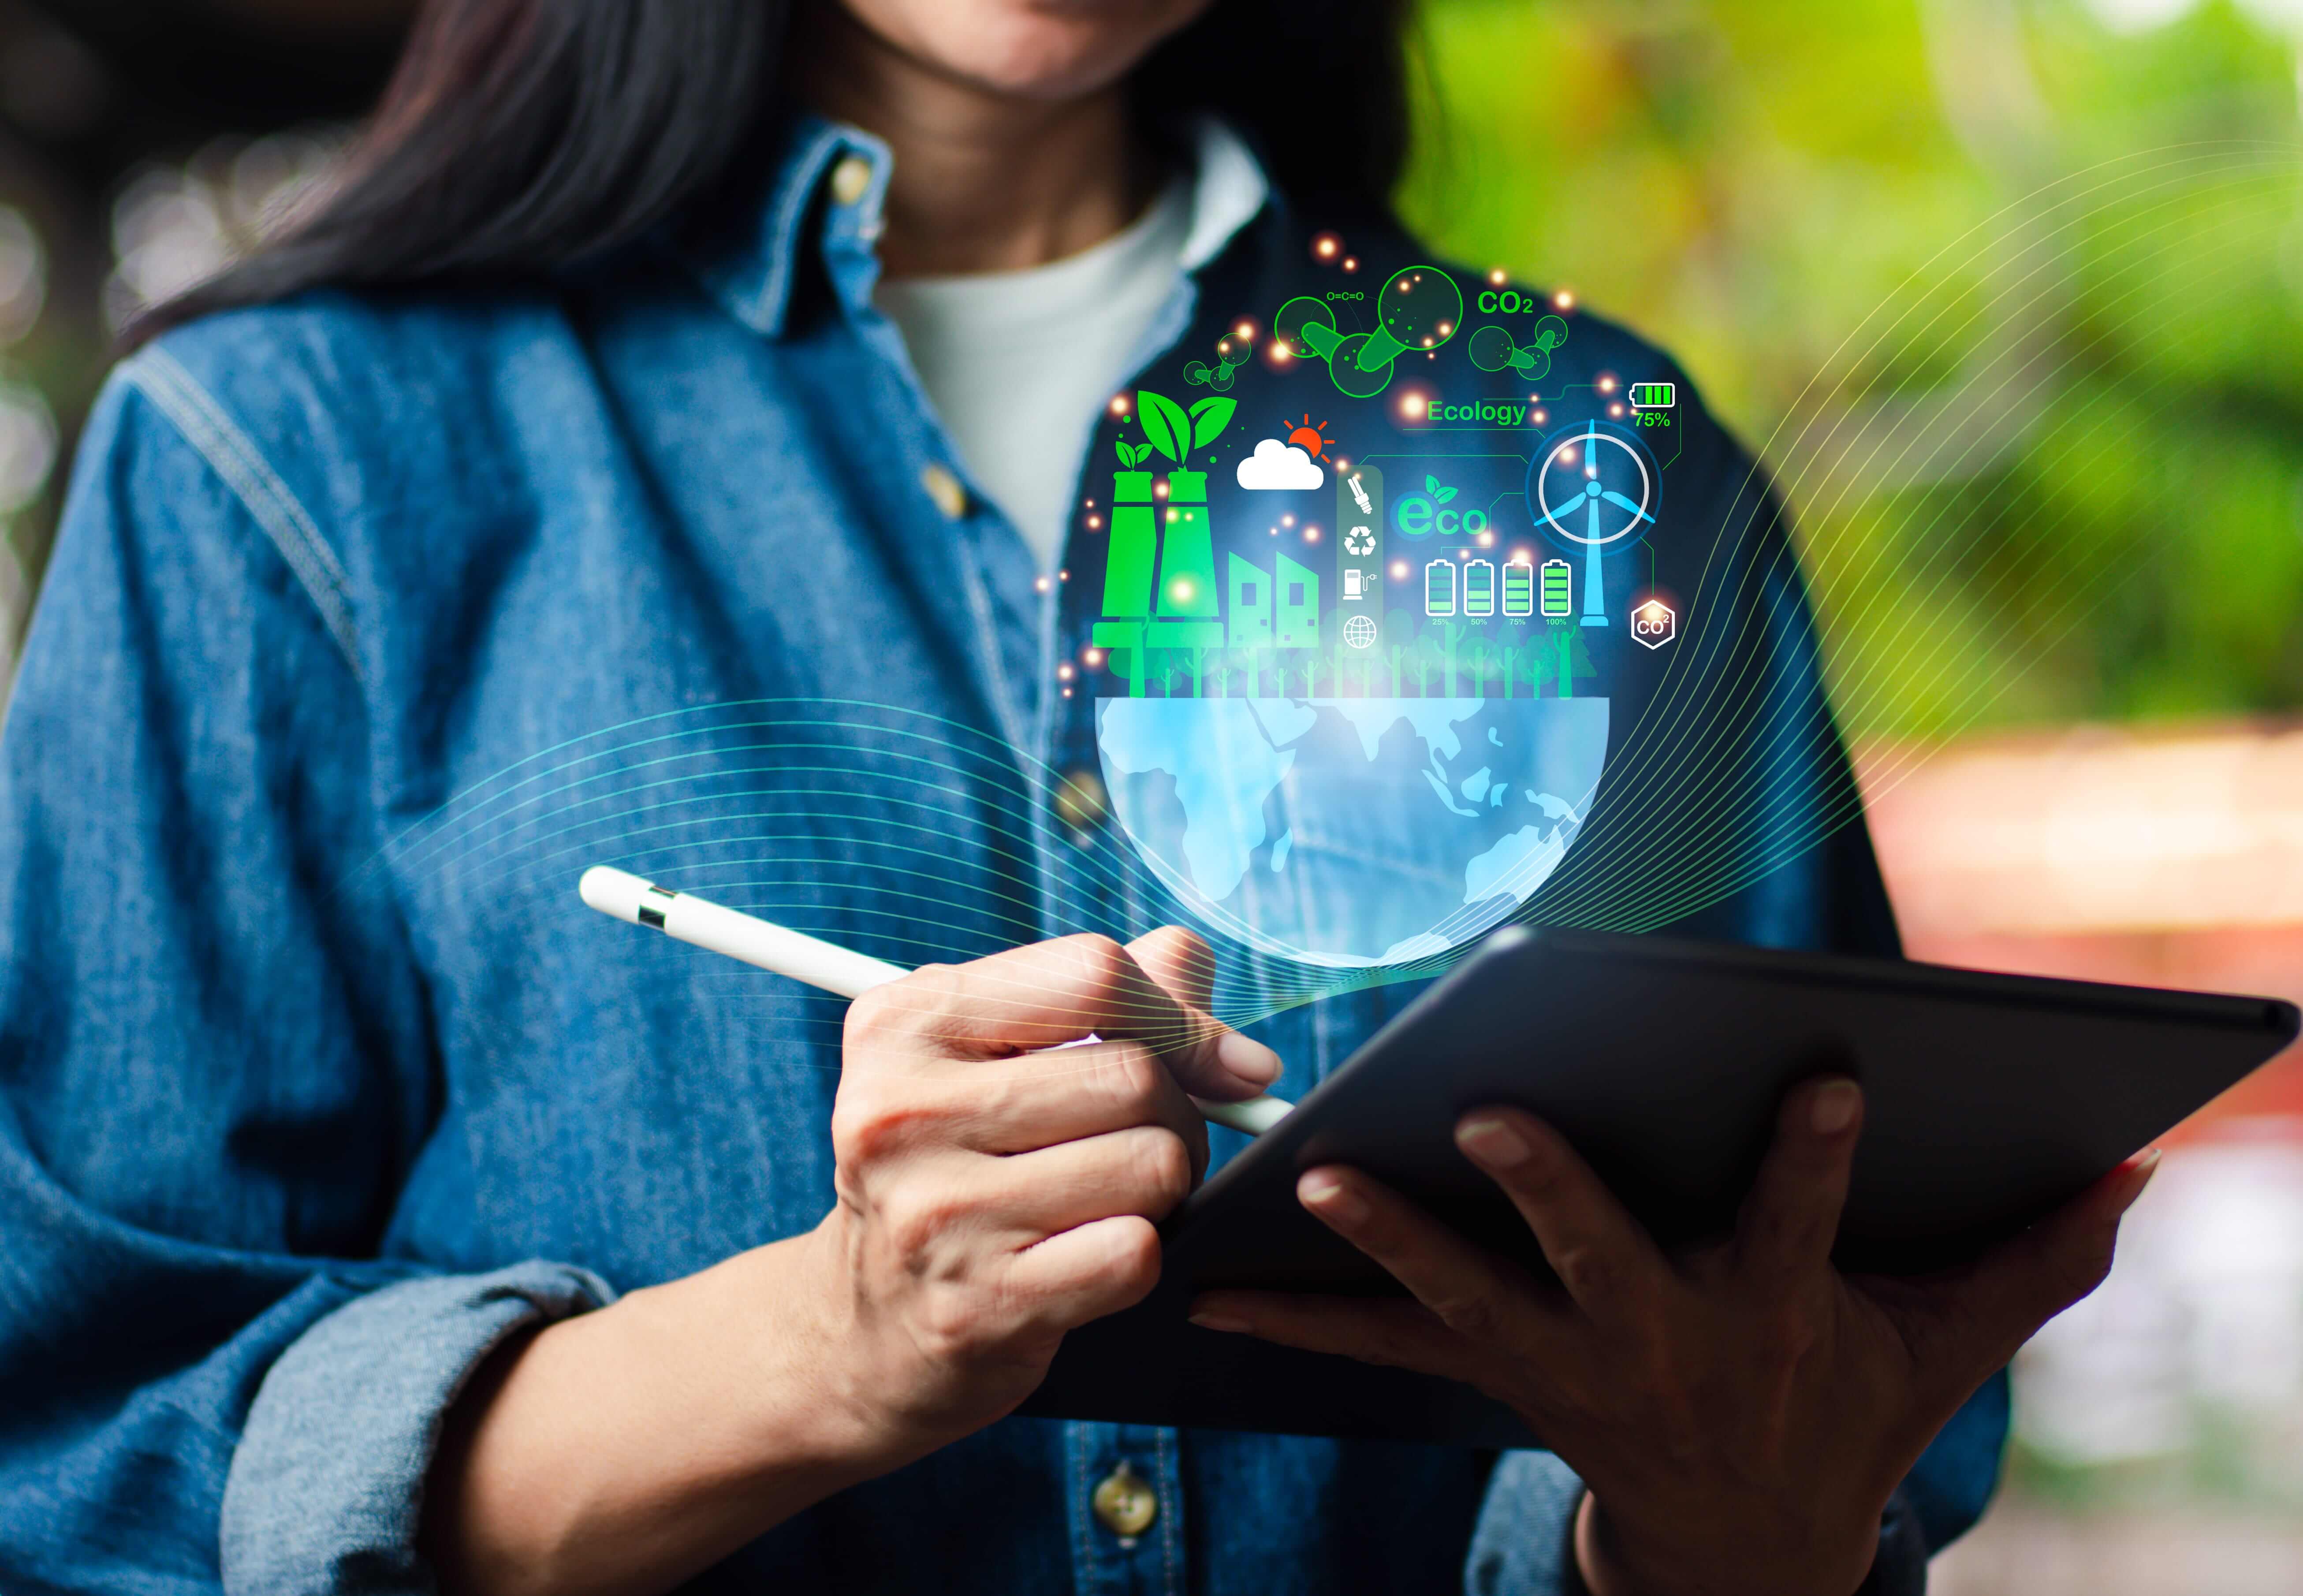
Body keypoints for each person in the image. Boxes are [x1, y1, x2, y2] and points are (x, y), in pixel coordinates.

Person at [0, 2, 2154, 1593]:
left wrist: (1717, 1521)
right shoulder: (285, 468)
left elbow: (1789, 1423)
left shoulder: (1607, 471)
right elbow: (89, 1455)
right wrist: (828, 1348)